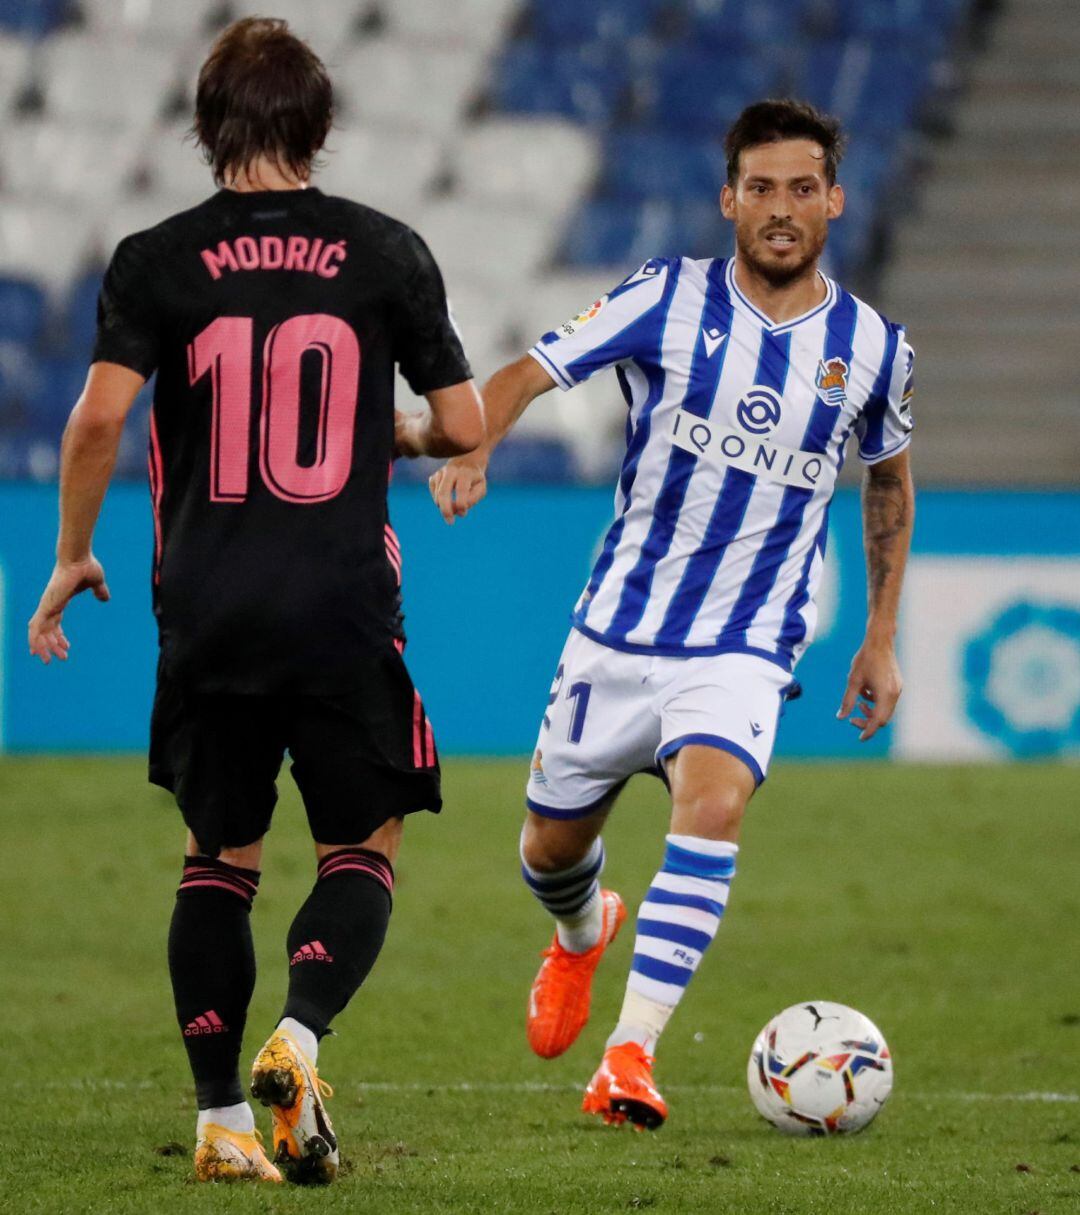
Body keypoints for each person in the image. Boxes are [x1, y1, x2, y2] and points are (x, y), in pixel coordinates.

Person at [28, 18, 483, 1184]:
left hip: (209, 611)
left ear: (205, 128)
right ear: (319, 129)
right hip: (339, 608)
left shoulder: (153, 260)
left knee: (217, 860)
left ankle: (222, 1123)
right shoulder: (386, 252)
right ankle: (302, 1031)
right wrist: (412, 432)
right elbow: (464, 426)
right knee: (362, 843)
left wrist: (73, 554)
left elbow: (94, 420)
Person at [429, 99, 914, 1131]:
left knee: (716, 805)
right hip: (619, 630)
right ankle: (579, 935)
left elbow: (887, 483)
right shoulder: (667, 296)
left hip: (744, 640)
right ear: (727, 197)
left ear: (835, 198)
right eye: (761, 188)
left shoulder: (872, 346)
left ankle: (629, 1057)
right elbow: (526, 371)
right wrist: (476, 444)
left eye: (802, 188)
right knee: (550, 850)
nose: (781, 209)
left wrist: (877, 637)